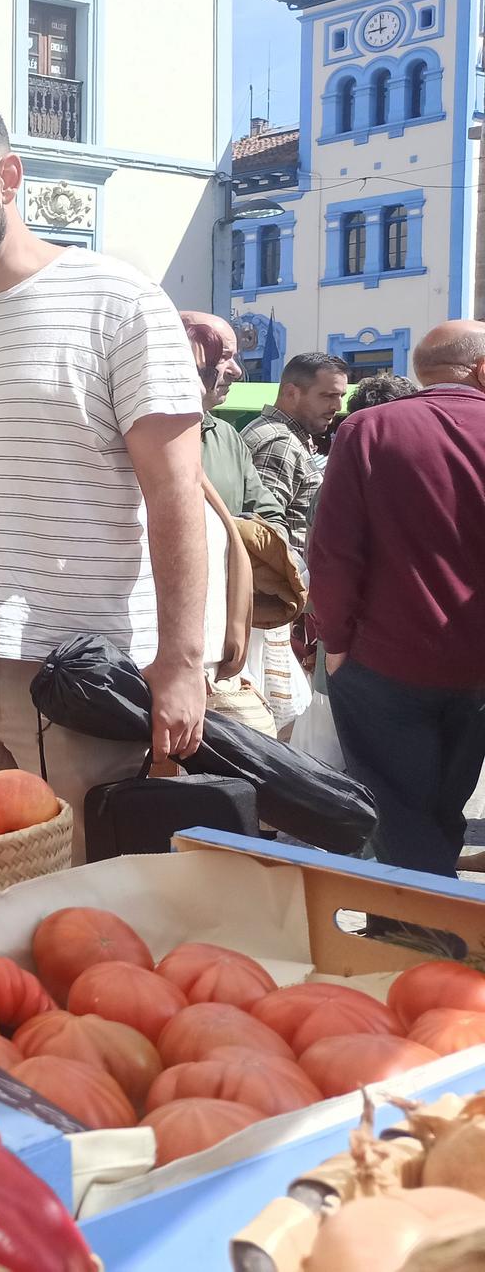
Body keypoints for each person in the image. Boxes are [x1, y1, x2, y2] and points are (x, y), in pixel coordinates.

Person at [0, 97, 207, 862]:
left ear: (8, 176)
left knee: (91, 892)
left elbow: (174, 493)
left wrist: (183, 663)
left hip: (80, 675)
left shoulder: (118, 303)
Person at [308, 321, 485, 877]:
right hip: (473, 664)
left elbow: (333, 552)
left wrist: (333, 642)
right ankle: (437, 928)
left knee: (397, 814)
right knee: (445, 805)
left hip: (383, 660)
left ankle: (418, 934)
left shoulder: (369, 429)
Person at [179, 311, 285, 530]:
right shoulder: (131, 434)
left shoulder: (227, 436)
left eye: (234, 357)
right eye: (222, 357)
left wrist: (232, 539)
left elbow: (272, 520)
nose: (236, 371)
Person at [242, 352, 348, 554]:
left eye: (341, 396)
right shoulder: (279, 443)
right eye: (328, 396)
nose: (338, 407)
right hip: (285, 580)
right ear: (291, 393)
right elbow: (261, 533)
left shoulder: (279, 434)